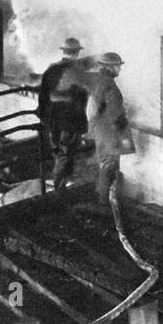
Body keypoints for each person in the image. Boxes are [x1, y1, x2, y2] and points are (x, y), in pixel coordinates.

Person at [37, 38, 91, 190]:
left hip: (52, 118)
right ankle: (59, 186)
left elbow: (43, 96)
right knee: (66, 152)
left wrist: (43, 117)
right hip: (69, 119)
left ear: (64, 51)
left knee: (58, 152)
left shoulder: (50, 69)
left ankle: (63, 182)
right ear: (77, 52)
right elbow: (82, 98)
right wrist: (84, 122)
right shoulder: (78, 72)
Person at [86, 52, 133, 208]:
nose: (119, 69)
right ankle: (105, 204)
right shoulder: (109, 86)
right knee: (110, 167)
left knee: (104, 164)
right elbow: (115, 114)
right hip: (109, 133)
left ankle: (103, 200)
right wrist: (124, 132)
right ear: (108, 67)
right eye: (117, 65)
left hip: (100, 130)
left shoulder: (98, 81)